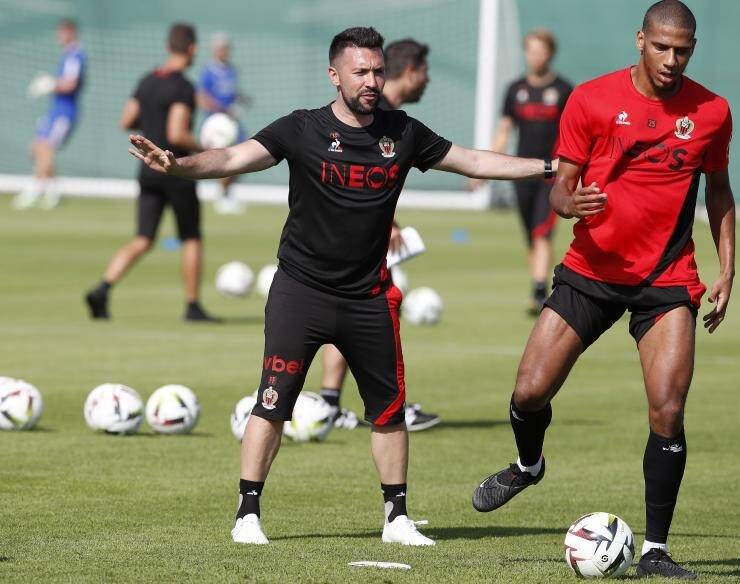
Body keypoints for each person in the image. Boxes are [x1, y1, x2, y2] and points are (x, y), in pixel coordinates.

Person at [127, 26, 555, 547]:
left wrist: (549, 168)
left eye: (378, 71)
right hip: (299, 291)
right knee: (272, 401)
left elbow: (476, 160)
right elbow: (232, 158)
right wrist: (178, 164)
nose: (373, 80)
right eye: (362, 72)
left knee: (389, 410)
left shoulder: (404, 132)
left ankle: (397, 519)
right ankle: (247, 514)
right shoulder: (300, 128)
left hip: (367, 297)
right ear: (335, 75)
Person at [472, 1, 734, 579]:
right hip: (590, 271)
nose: (671, 59)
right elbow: (561, 189)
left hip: (666, 278)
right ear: (640, 39)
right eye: (662, 46)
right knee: (528, 393)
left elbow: (718, 192)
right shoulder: (590, 99)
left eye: (682, 50)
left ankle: (657, 551)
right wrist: (573, 204)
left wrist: (727, 267)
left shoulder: (712, 111)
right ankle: (528, 463)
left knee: (667, 409)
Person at [318, 38, 441, 433]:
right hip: (350, 242)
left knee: (353, 314)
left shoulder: (387, 113)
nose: (427, 80)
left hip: (364, 239)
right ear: (411, 71)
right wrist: (387, 223)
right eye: (424, 71)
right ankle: (360, 402)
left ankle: (331, 401)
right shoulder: (377, 114)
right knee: (362, 313)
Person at [84, 23, 216, 322]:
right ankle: (192, 305)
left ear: (168, 47)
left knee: (144, 238)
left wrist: (150, 126)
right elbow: (177, 133)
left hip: (147, 169)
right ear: (192, 49)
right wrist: (206, 147)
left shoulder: (146, 81)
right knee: (191, 237)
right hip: (174, 167)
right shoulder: (182, 86)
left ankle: (103, 288)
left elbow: (127, 119)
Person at [474, 29, 572, 315]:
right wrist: (485, 168)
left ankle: (540, 290)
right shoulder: (515, 89)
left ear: (550, 54)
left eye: (541, 50)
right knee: (531, 234)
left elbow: (575, 131)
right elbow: (505, 129)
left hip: (552, 174)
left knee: (542, 232)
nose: (535, 56)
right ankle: (538, 284)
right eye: (531, 50)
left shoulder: (564, 90)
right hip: (521, 173)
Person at [13, 19, 86, 211]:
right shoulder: (68, 55)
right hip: (55, 110)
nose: (59, 36)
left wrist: (50, 84)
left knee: (45, 148)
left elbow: (71, 83)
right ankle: (54, 191)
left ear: (71, 32)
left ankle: (35, 189)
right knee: (37, 148)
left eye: (61, 32)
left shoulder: (75, 55)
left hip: (65, 112)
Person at [197, 32, 249, 214]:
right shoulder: (208, 71)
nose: (224, 52)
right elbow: (202, 97)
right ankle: (222, 196)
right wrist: (220, 109)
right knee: (224, 158)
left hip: (232, 120)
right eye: (220, 48)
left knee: (244, 154)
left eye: (226, 48)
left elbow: (231, 93)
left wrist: (240, 98)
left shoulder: (232, 70)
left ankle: (229, 193)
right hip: (217, 123)